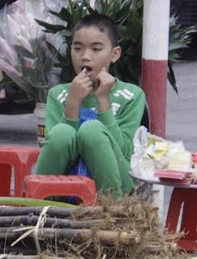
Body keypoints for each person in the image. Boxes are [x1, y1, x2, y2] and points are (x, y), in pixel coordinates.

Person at [33, 14, 145, 197]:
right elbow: (54, 148)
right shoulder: (58, 95)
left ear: (114, 54)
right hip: (65, 182)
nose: (85, 57)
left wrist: (103, 101)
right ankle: (41, 202)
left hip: (118, 184)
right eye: (77, 48)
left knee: (92, 130)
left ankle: (113, 209)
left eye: (96, 49)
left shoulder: (131, 95)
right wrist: (73, 104)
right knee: (61, 133)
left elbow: (125, 152)